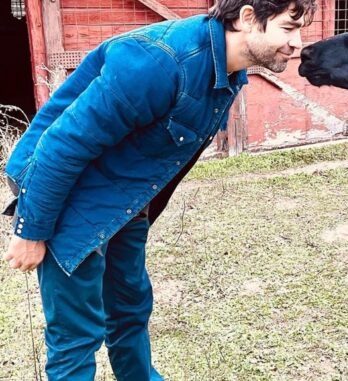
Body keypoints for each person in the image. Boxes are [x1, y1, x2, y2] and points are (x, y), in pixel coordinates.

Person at [2, 0, 316, 379]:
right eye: (288, 28)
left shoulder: (229, 73)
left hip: (127, 198)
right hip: (66, 194)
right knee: (77, 333)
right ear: (247, 17)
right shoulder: (160, 62)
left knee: (131, 309)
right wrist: (31, 230)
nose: (297, 42)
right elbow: (62, 147)